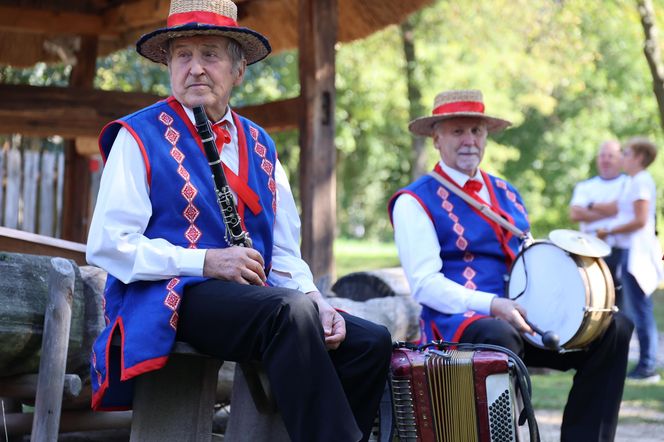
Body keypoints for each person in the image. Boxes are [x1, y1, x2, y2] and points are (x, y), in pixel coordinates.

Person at [85, 1, 392, 441]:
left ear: (238, 69)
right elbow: (108, 245)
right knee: (287, 313)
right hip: (170, 297)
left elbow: (284, 250)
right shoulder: (137, 136)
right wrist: (206, 262)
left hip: (251, 300)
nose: (195, 68)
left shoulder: (261, 143)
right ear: (169, 66)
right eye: (183, 55)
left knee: (369, 340)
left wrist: (317, 299)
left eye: (209, 54)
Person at [389, 89, 633, 441]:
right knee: (498, 336)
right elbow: (425, 285)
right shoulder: (414, 201)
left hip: (521, 316)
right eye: (457, 131)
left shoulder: (507, 191)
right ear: (436, 138)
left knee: (613, 328)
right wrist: (492, 305)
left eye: (477, 131)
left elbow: (529, 264)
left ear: (487, 136)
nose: (469, 140)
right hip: (460, 325)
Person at [595, 137, 664, 382]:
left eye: (626, 153)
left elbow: (640, 219)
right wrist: (592, 206)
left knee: (641, 309)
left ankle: (647, 366)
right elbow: (617, 208)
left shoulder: (642, 182)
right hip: (628, 252)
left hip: (638, 253)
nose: (622, 157)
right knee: (635, 308)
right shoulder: (633, 182)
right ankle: (643, 363)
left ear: (638, 158)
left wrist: (609, 231)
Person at [569, 140, 628, 306]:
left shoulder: (627, 184)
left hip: (617, 250)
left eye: (611, 156)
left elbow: (620, 209)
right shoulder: (585, 186)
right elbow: (575, 213)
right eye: (602, 155)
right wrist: (609, 211)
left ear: (620, 159)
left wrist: (590, 205)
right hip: (590, 250)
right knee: (593, 300)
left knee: (617, 301)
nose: (606, 160)